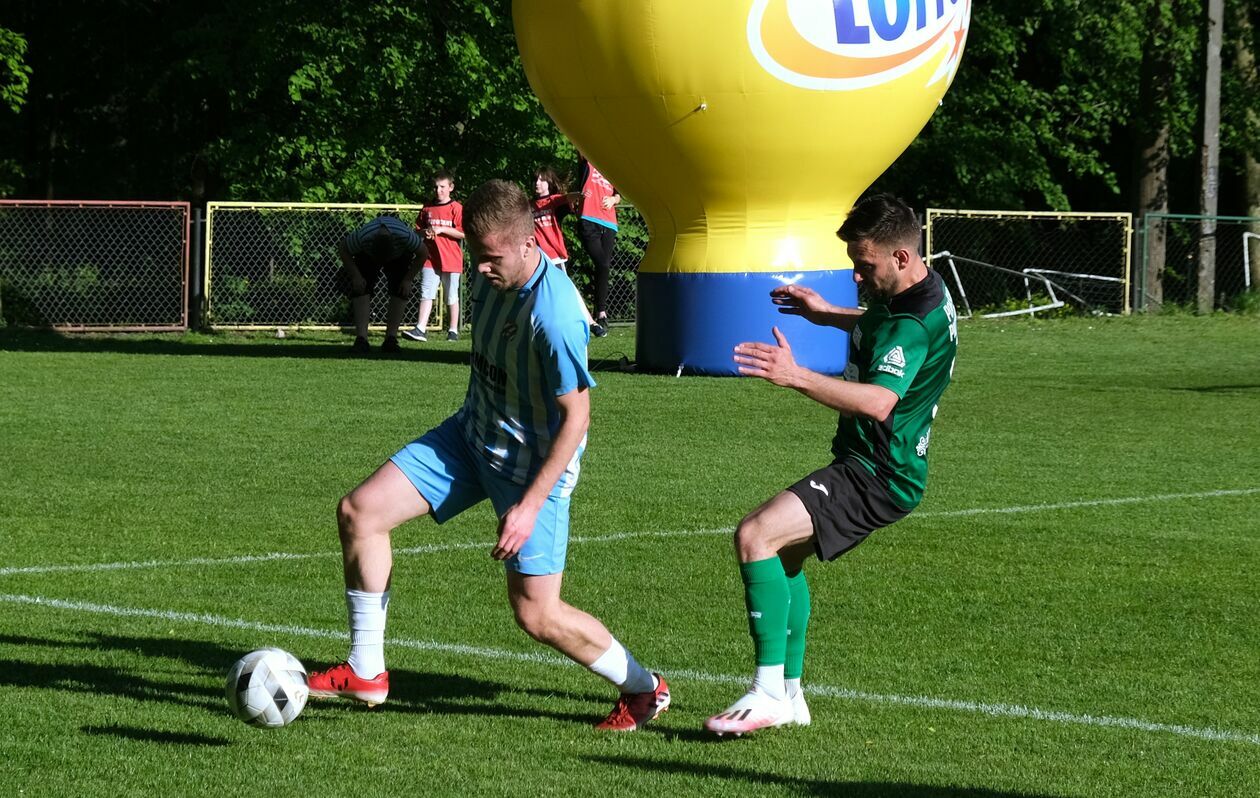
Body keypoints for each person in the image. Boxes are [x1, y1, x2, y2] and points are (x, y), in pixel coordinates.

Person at [308, 179, 671, 732]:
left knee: (536, 613)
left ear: (529, 244)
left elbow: (577, 419)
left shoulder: (555, 316)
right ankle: (366, 670)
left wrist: (528, 506)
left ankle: (644, 688)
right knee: (360, 512)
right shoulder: (492, 271)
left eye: (491, 258)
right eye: (476, 255)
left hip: (532, 469)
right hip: (470, 437)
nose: (479, 268)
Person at [705, 193, 958, 736]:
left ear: (901, 257)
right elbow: (882, 322)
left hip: (878, 473)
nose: (857, 277)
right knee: (783, 557)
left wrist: (795, 375)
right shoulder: (923, 291)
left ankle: (768, 692)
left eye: (865, 265)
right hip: (879, 464)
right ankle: (792, 696)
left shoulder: (911, 322)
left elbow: (879, 401)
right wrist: (826, 314)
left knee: (755, 535)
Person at [336, 215, 427, 354]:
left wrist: (408, 280)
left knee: (400, 289)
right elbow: (343, 248)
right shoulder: (363, 237)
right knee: (361, 288)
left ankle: (391, 339)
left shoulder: (406, 237)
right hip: (367, 254)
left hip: (400, 255)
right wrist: (356, 276)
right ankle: (361, 340)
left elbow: (423, 253)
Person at [403, 170, 465, 342]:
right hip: (430, 258)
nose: (438, 191)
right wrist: (425, 233)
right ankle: (420, 328)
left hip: (451, 259)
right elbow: (417, 231)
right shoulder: (427, 207)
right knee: (426, 293)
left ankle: (453, 331)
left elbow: (463, 233)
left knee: (451, 296)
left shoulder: (456, 208)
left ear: (451, 187)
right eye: (436, 187)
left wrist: (442, 229)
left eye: (442, 187)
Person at [532, 165, 596, 327]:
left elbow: (567, 197)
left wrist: (580, 195)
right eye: (535, 180)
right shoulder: (528, 206)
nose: (537, 183)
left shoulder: (553, 201)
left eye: (541, 180)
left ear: (549, 183)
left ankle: (591, 322)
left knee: (567, 289)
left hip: (554, 257)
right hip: (537, 258)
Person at [574, 154, 620, 337]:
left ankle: (600, 313)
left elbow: (618, 194)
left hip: (609, 222)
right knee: (602, 263)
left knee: (603, 267)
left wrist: (613, 200)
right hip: (588, 219)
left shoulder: (612, 168)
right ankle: (599, 311)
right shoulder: (588, 161)